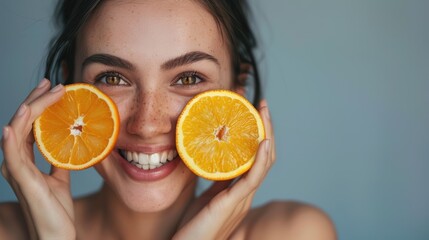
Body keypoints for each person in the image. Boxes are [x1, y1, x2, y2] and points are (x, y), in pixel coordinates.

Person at [0, 0, 336, 239]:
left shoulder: (294, 232)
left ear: (237, 89)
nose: (147, 125)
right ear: (70, 88)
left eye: (188, 79)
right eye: (113, 78)